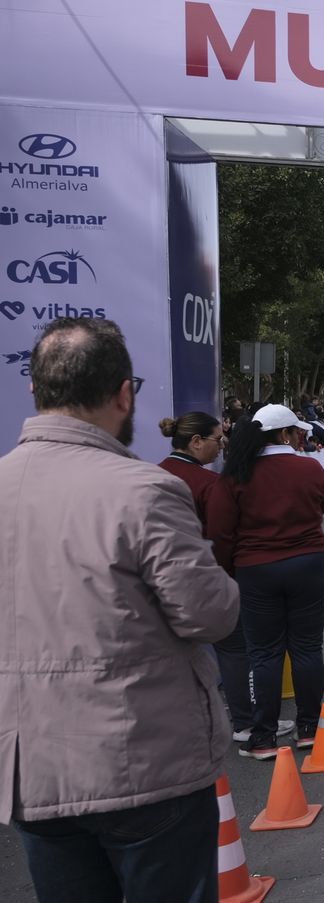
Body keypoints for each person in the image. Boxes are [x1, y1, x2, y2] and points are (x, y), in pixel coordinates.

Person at [1, 317, 239, 902]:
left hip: (33, 771)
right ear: (125, 394)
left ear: (36, 389)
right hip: (143, 763)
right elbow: (209, 615)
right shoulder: (144, 490)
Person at [209, 403, 324, 759]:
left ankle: (263, 737)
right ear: (284, 434)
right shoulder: (309, 468)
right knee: (308, 648)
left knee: (264, 653)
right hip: (308, 562)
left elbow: (220, 530)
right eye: (296, 432)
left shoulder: (236, 474)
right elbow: (321, 505)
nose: (299, 438)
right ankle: (309, 729)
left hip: (256, 569)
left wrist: (229, 569)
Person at [160, 411, 258, 742]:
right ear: (196, 442)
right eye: (218, 439)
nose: (222, 446)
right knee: (233, 648)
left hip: (158, 581)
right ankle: (244, 724)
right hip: (204, 576)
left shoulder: (154, 475)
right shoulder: (209, 484)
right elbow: (220, 535)